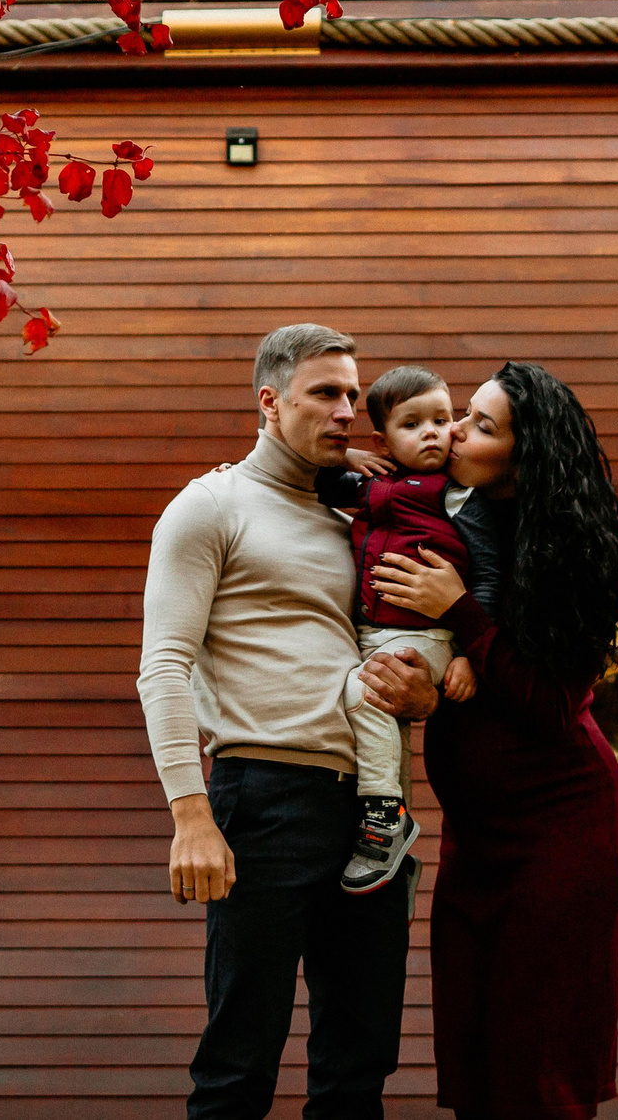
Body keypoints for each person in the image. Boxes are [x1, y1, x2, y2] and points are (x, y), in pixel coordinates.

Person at [137, 322, 443, 1120]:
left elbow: (399, 645)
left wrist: (426, 696)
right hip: (263, 800)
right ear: (270, 402)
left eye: (353, 393)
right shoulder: (209, 506)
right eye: (326, 393)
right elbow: (162, 665)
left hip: (375, 811)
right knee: (240, 1066)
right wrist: (191, 815)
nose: (349, 410)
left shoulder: (362, 517)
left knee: (358, 1067)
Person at [372, 361, 618, 1120]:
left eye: (480, 425)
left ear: (528, 456)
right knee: (476, 1058)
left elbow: (549, 702)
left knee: (539, 1066)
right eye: (462, 414)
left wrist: (462, 611)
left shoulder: (572, 550)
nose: (452, 431)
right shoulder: (461, 521)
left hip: (558, 830)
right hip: (477, 837)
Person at [313, 365, 492, 894]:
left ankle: (385, 814)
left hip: (430, 639)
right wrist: (345, 455)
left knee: (363, 691)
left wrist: (469, 652)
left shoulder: (459, 496)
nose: (433, 431)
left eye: (442, 418)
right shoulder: (375, 485)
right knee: (365, 701)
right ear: (382, 441)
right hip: (380, 632)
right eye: (412, 424)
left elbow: (491, 576)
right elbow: (317, 481)